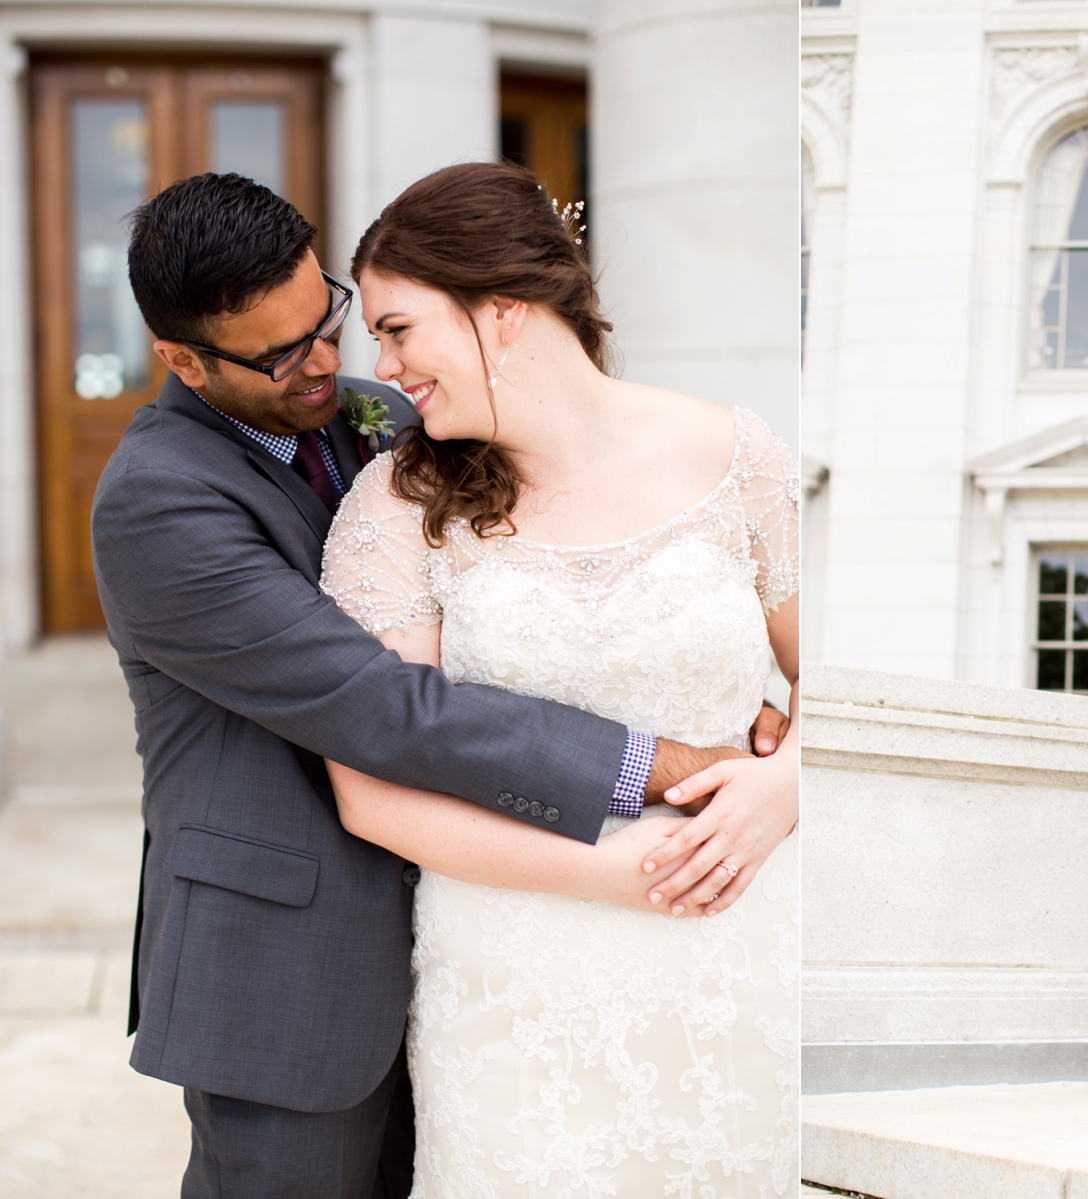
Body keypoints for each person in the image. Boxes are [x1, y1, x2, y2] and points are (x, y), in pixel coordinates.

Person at [92, 171, 786, 1199]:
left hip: (468, 939)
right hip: (288, 964)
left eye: (326, 315)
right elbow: (387, 706)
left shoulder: (383, 416)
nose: (329, 362)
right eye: (282, 354)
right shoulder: (156, 503)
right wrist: (678, 761)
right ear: (181, 359)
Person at [317, 161, 798, 1196]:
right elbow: (373, 789)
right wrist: (615, 875)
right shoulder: (394, 508)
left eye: (399, 327)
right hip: (513, 978)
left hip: (738, 953)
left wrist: (785, 782)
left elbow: (836, 685)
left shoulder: (737, 456)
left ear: (503, 309)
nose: (384, 361)